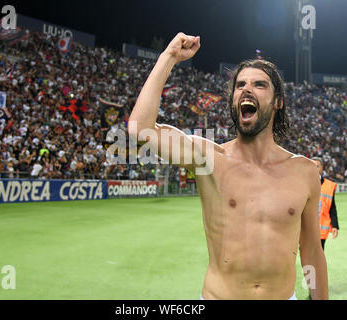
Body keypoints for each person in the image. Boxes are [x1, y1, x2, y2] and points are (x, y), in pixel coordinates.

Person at [128, 33, 328, 300]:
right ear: (233, 99)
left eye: (259, 85)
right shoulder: (207, 158)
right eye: (240, 85)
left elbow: (312, 251)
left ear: (278, 102)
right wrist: (169, 57)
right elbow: (140, 130)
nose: (246, 89)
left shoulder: (304, 171)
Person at [311, 157, 339, 251]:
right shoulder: (302, 184)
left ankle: (317, 266)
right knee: (306, 254)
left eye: (317, 166)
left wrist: (335, 225)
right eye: (312, 166)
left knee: (319, 253)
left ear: (322, 168)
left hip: (321, 230)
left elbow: (332, 208)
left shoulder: (329, 186)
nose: (314, 169)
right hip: (305, 228)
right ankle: (308, 266)